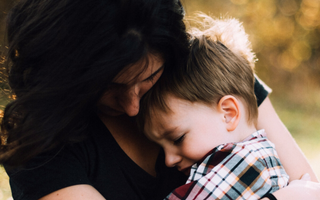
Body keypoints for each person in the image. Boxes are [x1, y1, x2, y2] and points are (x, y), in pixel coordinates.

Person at [0, 0, 319, 200]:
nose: (132, 107)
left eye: (148, 78)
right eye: (107, 86)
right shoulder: (38, 142)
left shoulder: (211, 77)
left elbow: (309, 188)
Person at [138, 16, 289, 200]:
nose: (168, 160)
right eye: (161, 147)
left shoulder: (243, 163)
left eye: (178, 139)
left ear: (228, 113)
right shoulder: (260, 156)